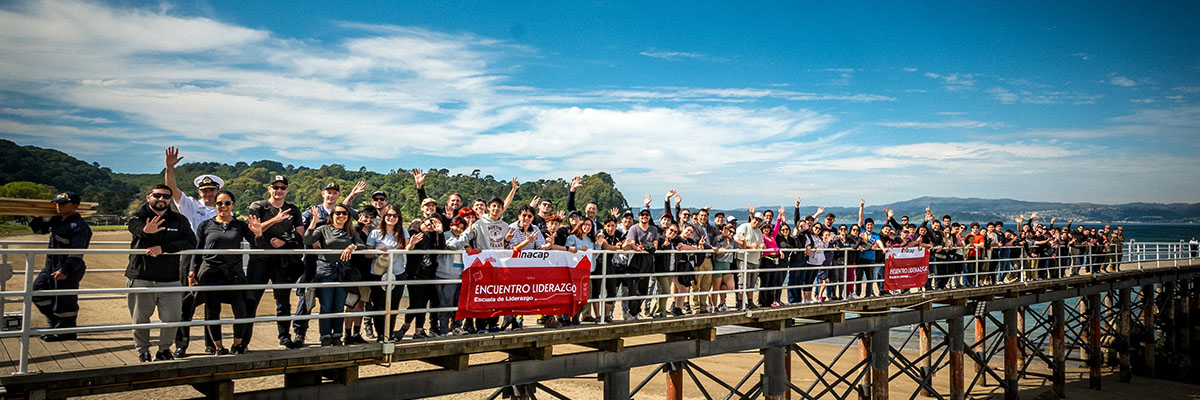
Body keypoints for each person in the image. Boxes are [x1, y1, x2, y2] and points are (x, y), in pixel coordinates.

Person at [163, 146, 222, 357]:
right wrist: (169, 167)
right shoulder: (189, 205)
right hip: (191, 256)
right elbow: (171, 188)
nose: (209, 193)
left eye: (212, 190)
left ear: (217, 191)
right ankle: (181, 344)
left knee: (212, 302)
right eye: (205, 190)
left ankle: (212, 343)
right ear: (200, 192)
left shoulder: (222, 209)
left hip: (214, 257)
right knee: (186, 302)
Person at [127, 184, 197, 362]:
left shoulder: (178, 220)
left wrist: (164, 248)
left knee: (173, 317)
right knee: (140, 318)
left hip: (170, 277)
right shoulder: (140, 216)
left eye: (166, 196)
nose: (161, 199)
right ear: (149, 197)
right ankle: (143, 350)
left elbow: (190, 241)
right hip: (141, 276)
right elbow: (133, 226)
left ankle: (164, 349)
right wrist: (145, 231)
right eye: (157, 195)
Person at [189, 190, 263, 355]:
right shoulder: (205, 225)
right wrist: (192, 273)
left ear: (233, 205)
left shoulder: (240, 225)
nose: (223, 206)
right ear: (215, 205)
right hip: (210, 273)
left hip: (234, 273)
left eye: (227, 203)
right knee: (212, 311)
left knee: (241, 310)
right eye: (220, 203)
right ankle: (218, 347)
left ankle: (237, 345)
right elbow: (197, 250)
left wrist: (258, 233)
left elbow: (255, 244)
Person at [244, 175, 304, 349]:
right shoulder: (258, 206)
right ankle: (243, 340)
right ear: (269, 188)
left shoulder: (293, 209)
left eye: (282, 188)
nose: (279, 191)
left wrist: (284, 241)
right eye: (275, 187)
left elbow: (300, 235)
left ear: (287, 189)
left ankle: (284, 337)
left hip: (283, 260)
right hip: (259, 259)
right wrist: (275, 220)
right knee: (251, 300)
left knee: (283, 301)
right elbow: (255, 230)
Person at [28, 191, 92, 342]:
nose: (58, 206)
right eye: (57, 203)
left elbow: (77, 252)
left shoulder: (79, 226)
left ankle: (66, 332)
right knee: (37, 292)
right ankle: (56, 325)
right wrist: (35, 217)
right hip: (51, 265)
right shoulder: (57, 221)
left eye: (63, 204)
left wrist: (65, 270)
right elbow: (41, 230)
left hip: (67, 267)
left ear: (75, 206)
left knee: (65, 301)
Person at [302, 203, 365, 346]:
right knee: (326, 305)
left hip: (343, 272)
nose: (341, 216)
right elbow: (307, 240)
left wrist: (352, 246)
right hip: (326, 271)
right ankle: (325, 336)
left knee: (339, 306)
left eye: (344, 213)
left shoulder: (351, 231)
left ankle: (337, 335)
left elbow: (361, 245)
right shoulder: (324, 229)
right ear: (332, 215)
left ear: (348, 216)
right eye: (337, 213)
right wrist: (313, 221)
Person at [365, 204, 409, 341]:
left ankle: (388, 334)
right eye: (389, 215)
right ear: (384, 217)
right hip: (378, 273)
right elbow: (367, 255)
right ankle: (380, 335)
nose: (391, 218)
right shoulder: (375, 233)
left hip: (397, 272)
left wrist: (411, 245)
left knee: (394, 306)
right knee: (378, 305)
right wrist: (378, 252)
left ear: (399, 217)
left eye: (395, 215)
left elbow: (407, 248)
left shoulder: (403, 231)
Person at [435, 217, 473, 335]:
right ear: (451, 226)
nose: (459, 229)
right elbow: (454, 245)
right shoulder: (446, 235)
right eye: (457, 226)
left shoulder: (463, 238)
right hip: (445, 276)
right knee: (445, 304)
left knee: (459, 304)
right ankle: (444, 330)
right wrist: (468, 232)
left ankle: (457, 326)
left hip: (460, 276)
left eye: (462, 228)